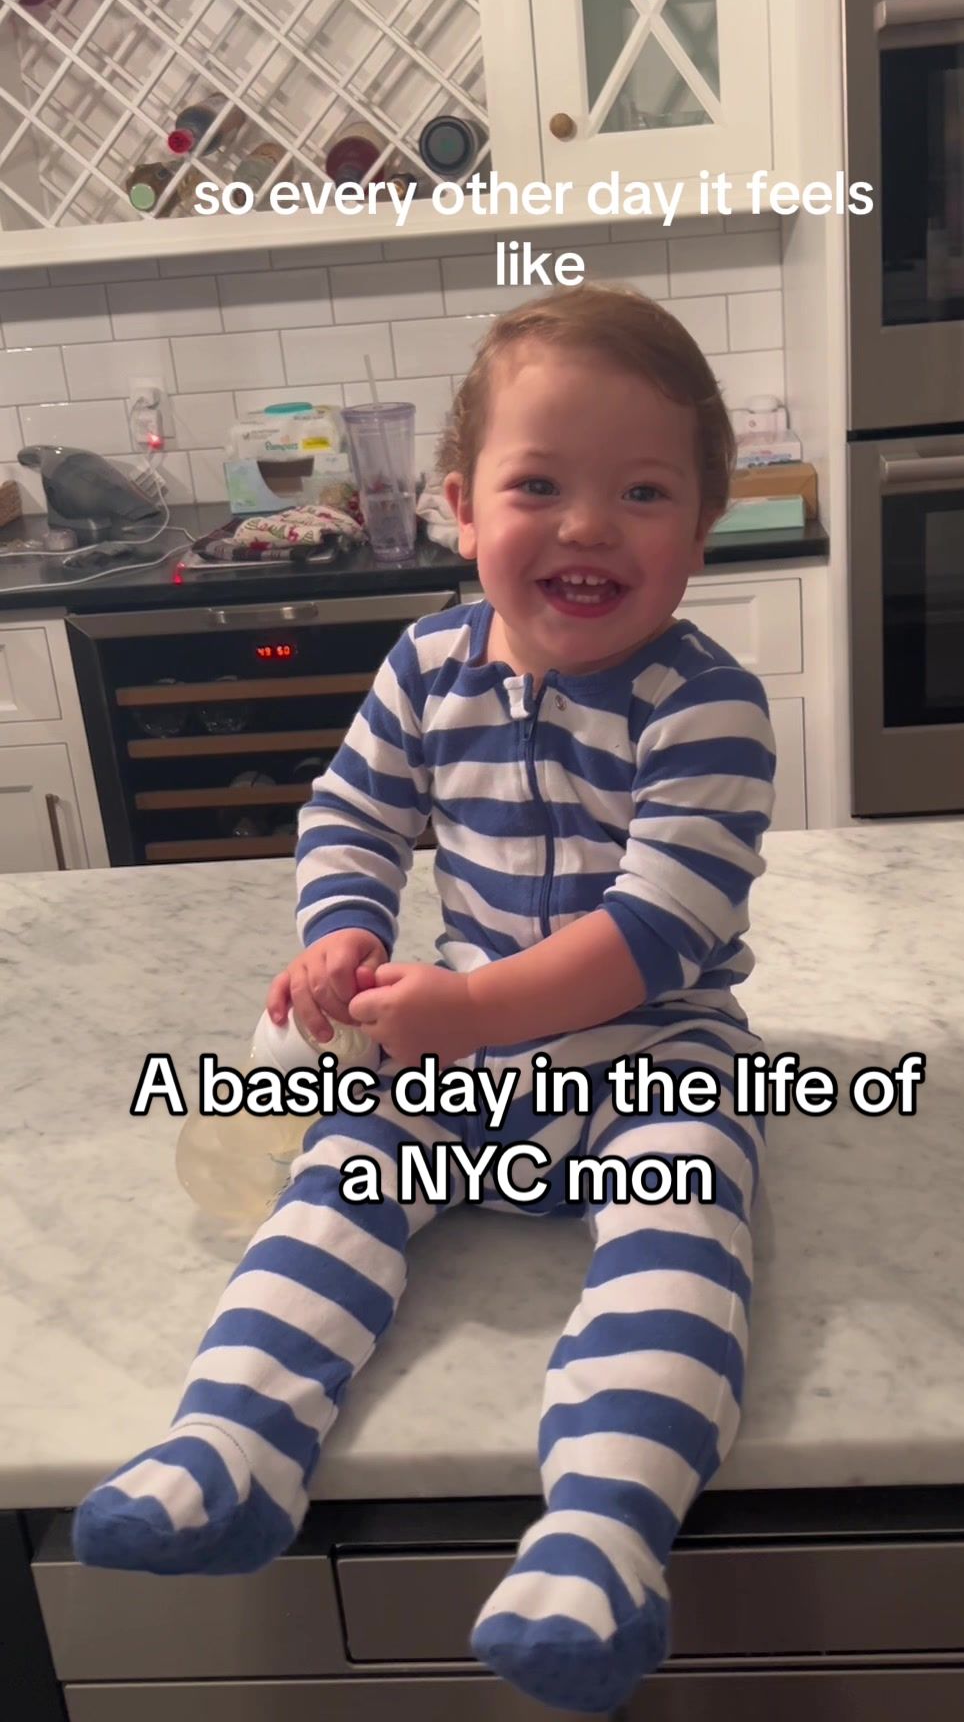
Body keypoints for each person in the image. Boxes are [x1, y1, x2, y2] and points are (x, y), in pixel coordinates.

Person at [74, 283, 776, 1716]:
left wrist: (470, 1011)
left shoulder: (710, 706)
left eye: (644, 493)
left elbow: (659, 930)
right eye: (541, 486)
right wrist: (340, 936)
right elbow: (349, 817)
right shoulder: (425, 666)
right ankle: (231, 1446)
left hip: (656, 1054)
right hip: (458, 1052)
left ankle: (601, 1537)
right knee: (331, 1186)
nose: (589, 526)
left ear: (703, 528)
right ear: (461, 509)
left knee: (687, 1231)